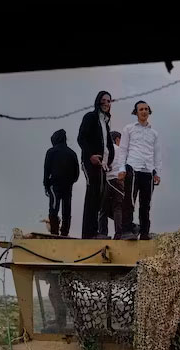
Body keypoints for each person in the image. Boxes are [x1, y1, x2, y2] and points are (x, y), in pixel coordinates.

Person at [120, 100, 163, 240]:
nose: (144, 111)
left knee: (146, 204)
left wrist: (157, 172)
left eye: (146, 109)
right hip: (133, 167)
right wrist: (122, 168)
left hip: (148, 171)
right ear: (136, 112)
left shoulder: (154, 133)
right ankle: (127, 231)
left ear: (149, 111)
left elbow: (157, 154)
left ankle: (144, 233)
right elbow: (123, 149)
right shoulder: (129, 129)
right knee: (129, 201)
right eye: (141, 109)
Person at [77, 91, 115, 239]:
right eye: (104, 100)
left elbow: (108, 144)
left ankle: (96, 232)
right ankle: (88, 233)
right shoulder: (90, 117)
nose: (106, 103)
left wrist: (109, 160)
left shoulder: (105, 122)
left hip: (103, 165)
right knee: (92, 194)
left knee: (100, 196)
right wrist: (90, 155)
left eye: (109, 101)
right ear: (98, 101)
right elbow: (81, 138)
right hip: (90, 162)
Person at [97, 131, 136, 240]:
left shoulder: (106, 149)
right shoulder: (122, 152)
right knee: (117, 208)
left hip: (108, 181)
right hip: (119, 182)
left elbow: (103, 165)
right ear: (117, 139)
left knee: (103, 209)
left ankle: (103, 233)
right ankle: (119, 233)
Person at [43, 129, 79, 236]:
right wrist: (72, 181)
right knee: (66, 209)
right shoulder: (72, 153)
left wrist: (46, 185)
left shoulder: (51, 152)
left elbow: (46, 170)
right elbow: (76, 172)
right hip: (68, 185)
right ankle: (65, 232)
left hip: (54, 185)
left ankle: (54, 232)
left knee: (54, 208)